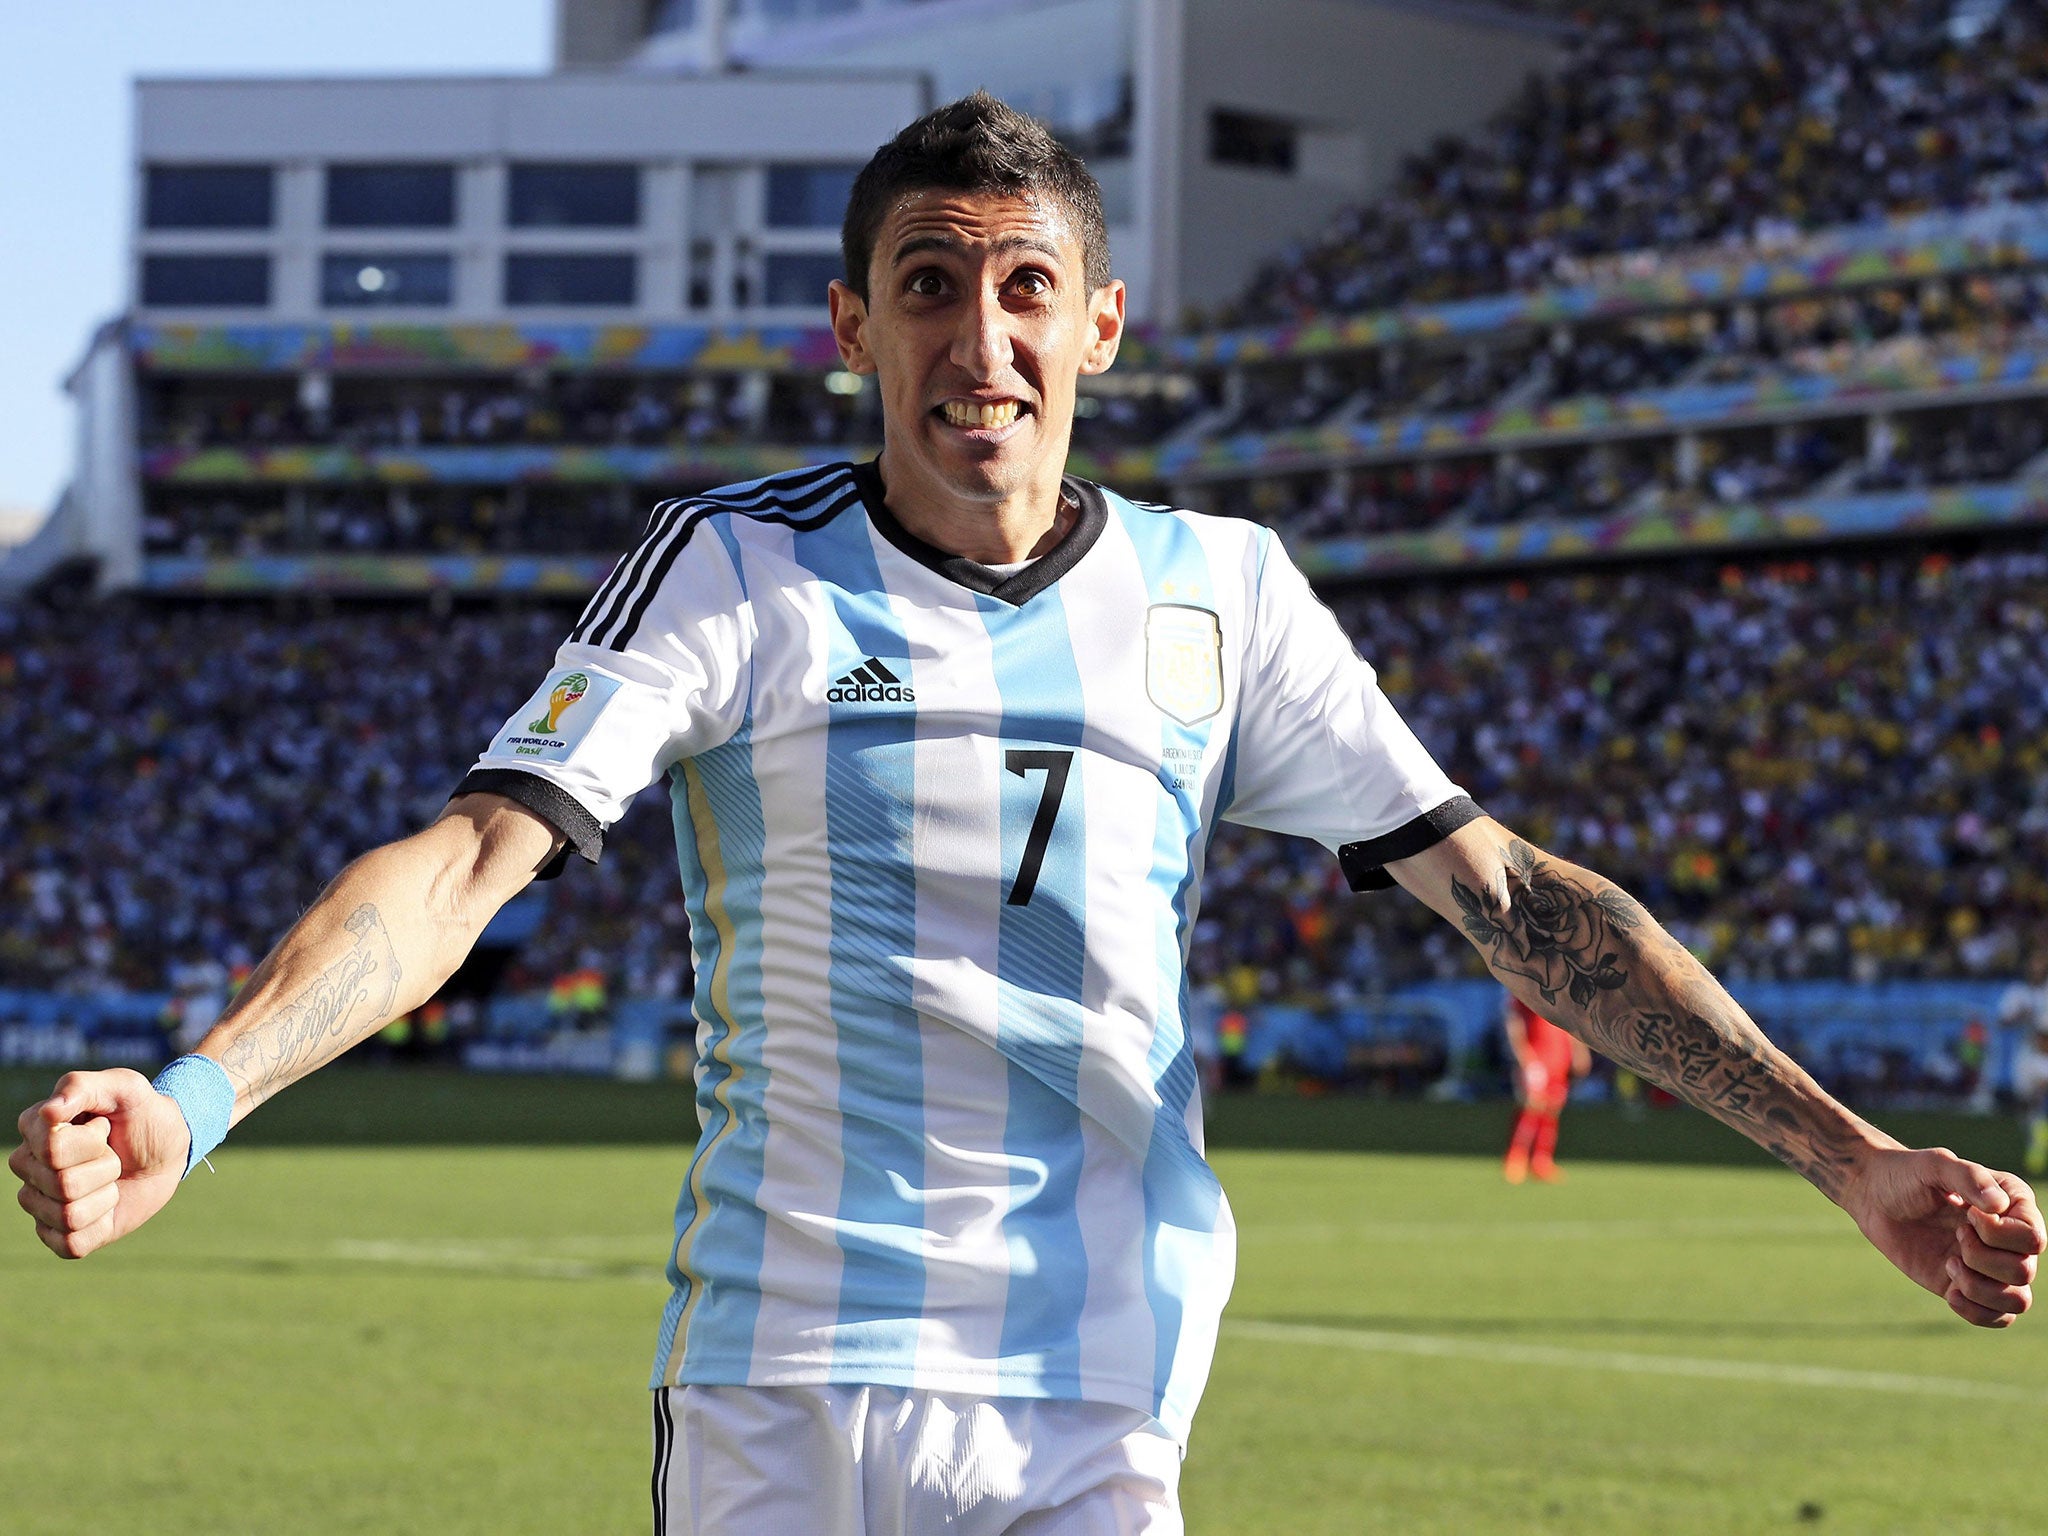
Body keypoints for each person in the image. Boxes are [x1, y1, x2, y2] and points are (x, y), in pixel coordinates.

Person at [11, 95, 2044, 1535]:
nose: (972, 342)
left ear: (1097, 324)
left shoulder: (1218, 594)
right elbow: (470, 860)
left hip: (1097, 1395)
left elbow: (1510, 899)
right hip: (785, 1390)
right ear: (850, 327)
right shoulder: (735, 571)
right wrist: (203, 1091)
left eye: (1018, 294)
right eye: (923, 288)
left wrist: (1849, 1161)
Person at [1502, 991, 1590, 1184]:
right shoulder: (1526, 987)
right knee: (1531, 1106)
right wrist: (1524, 1056)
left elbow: (1571, 1024)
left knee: (1552, 1111)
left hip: (1559, 1059)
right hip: (1537, 1059)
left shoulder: (1564, 991)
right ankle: (1516, 1158)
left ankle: (1541, 1161)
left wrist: (1579, 1051)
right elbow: (1514, 1020)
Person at [2002, 953, 2048, 1175]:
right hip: (2026, 1054)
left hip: (2042, 1055)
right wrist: (2020, 1016)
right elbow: (2002, 1020)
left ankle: (2038, 1146)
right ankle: (2035, 1142)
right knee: (2026, 1102)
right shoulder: (2018, 992)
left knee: (2040, 1097)